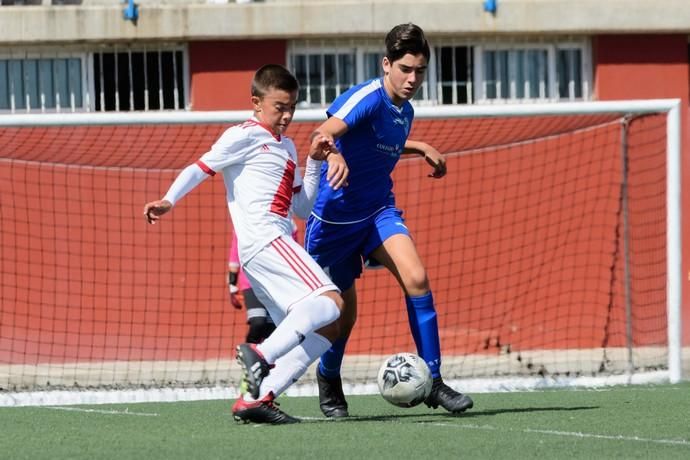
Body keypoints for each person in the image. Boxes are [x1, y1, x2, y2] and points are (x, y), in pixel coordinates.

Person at [143, 64, 349, 425]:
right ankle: (260, 353)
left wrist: (314, 163)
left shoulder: (284, 146)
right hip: (267, 239)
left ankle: (256, 398)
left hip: (265, 249)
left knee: (328, 327)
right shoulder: (244, 135)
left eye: (292, 108)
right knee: (332, 302)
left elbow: (302, 207)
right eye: (279, 107)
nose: (286, 115)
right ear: (256, 103)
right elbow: (199, 168)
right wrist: (169, 199)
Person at [305, 23, 474, 418]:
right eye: (405, 69)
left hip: (379, 211)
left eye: (420, 71)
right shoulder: (367, 96)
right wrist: (332, 154)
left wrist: (419, 146)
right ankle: (329, 379)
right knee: (341, 317)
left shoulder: (406, 111)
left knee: (416, 278)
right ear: (387, 64)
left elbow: (379, 146)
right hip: (334, 222)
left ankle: (433, 381)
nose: (413, 78)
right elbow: (322, 133)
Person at [227, 219, 299, 344]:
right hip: (251, 283)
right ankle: (249, 356)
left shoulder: (288, 224)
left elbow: (293, 255)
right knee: (258, 322)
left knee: (272, 329)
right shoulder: (243, 222)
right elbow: (235, 254)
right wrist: (232, 285)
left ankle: (265, 360)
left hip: (276, 283)